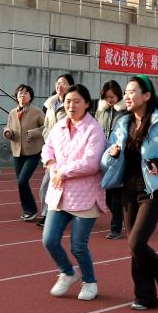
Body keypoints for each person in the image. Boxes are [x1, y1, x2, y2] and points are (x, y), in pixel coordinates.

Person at [101, 75, 158, 310]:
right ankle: (145, 296)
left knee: (136, 243)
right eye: (126, 92)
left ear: (147, 96)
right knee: (135, 248)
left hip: (151, 193)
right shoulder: (122, 124)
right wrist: (111, 154)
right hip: (127, 192)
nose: (127, 96)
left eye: (132, 91)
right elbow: (105, 157)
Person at [41, 84, 107, 301]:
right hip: (59, 192)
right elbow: (47, 147)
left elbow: (91, 163)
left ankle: (90, 282)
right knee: (49, 240)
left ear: (87, 103)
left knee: (78, 246)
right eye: (68, 101)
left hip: (85, 195)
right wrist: (51, 164)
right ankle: (68, 272)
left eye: (77, 101)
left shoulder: (93, 129)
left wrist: (62, 172)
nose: (71, 105)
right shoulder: (59, 125)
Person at [36, 73, 74, 226]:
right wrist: (48, 139)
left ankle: (70, 213)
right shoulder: (51, 104)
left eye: (63, 83)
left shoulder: (72, 105)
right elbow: (46, 125)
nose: (59, 86)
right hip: (52, 151)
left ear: (70, 86)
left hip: (67, 152)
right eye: (58, 83)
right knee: (46, 184)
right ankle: (47, 214)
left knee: (65, 185)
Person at [3, 83, 45, 221]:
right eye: (20, 93)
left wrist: (34, 133)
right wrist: (7, 132)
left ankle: (31, 210)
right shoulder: (12, 113)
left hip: (33, 152)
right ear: (16, 96)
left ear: (30, 97)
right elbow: (8, 126)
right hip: (17, 152)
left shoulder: (36, 111)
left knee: (22, 181)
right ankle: (28, 210)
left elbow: (46, 127)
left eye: (26, 93)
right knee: (21, 183)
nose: (23, 95)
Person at [96, 80, 127, 239]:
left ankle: (116, 228)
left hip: (119, 156)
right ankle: (122, 218)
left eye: (112, 96)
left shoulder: (125, 112)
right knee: (108, 195)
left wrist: (119, 149)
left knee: (116, 194)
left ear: (118, 95)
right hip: (104, 157)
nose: (109, 100)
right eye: (106, 97)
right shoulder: (101, 111)